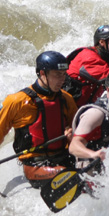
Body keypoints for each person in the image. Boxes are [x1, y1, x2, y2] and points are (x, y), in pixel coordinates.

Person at [0, 51, 78, 188]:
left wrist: (71, 135)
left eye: (64, 74)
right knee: (64, 173)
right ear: (42, 73)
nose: (62, 80)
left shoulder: (66, 99)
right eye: (57, 75)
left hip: (63, 157)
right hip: (35, 165)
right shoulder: (16, 101)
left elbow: (79, 134)